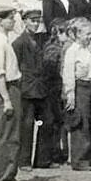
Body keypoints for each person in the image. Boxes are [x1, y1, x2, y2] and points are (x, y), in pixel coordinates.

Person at [13, 10, 55, 170]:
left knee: (47, 121)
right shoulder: (19, 43)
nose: (36, 23)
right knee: (27, 125)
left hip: (41, 88)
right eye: (32, 20)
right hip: (27, 88)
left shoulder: (40, 40)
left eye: (38, 20)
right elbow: (14, 66)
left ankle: (42, 160)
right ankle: (23, 161)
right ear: (24, 21)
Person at [0, 5, 23, 181]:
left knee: (13, 134)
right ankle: (3, 177)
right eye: (11, 18)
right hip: (7, 90)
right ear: (1, 21)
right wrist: (7, 99)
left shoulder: (5, 40)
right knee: (7, 135)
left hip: (13, 88)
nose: (14, 21)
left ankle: (9, 174)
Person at [63, 20, 91, 171]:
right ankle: (79, 160)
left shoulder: (86, 50)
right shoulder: (72, 50)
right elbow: (68, 74)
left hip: (90, 87)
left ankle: (90, 157)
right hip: (79, 89)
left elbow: (90, 70)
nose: (89, 37)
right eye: (86, 34)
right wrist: (70, 94)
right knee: (81, 123)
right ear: (78, 34)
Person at [42, 19, 68, 163]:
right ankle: (53, 154)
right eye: (65, 33)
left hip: (58, 87)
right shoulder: (53, 48)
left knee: (60, 121)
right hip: (53, 89)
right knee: (54, 121)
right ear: (57, 33)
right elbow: (51, 70)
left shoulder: (62, 47)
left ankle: (59, 152)